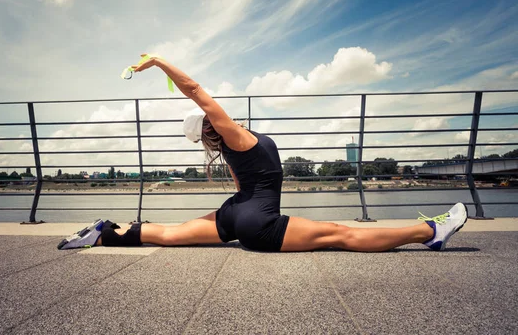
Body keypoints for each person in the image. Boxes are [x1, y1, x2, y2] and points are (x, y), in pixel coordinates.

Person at [57, 56, 468, 252]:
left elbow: (244, 188)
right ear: (211, 127)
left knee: (167, 233)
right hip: (259, 224)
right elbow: (197, 91)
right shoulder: (235, 136)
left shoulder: (232, 150)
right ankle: (430, 232)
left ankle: (104, 231)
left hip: (234, 212)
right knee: (342, 235)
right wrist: (159, 63)